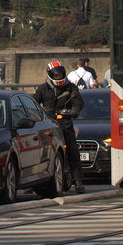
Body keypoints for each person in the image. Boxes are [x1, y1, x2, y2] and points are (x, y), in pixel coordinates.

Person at [35, 60, 86, 193]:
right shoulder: (42, 89)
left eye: (60, 74)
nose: (58, 77)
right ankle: (37, 180)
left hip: (65, 123)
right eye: (56, 75)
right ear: (50, 74)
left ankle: (78, 182)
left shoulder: (71, 88)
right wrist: (37, 116)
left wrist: (70, 112)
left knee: (72, 150)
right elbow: (34, 103)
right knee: (42, 149)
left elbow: (78, 103)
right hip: (48, 125)